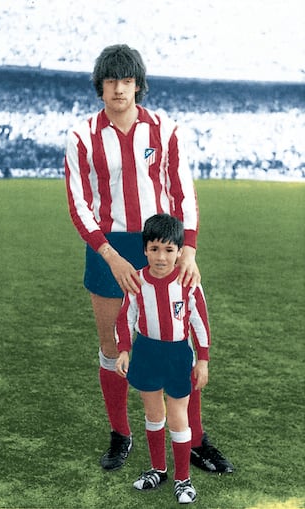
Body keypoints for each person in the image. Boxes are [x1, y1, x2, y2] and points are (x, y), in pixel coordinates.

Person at [64, 43, 233, 474]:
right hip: (109, 247)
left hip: (161, 242)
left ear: (138, 85)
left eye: (126, 80)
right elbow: (79, 203)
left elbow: (183, 191)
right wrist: (109, 255)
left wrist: (189, 249)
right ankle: (121, 434)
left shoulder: (165, 129)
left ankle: (193, 439)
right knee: (111, 347)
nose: (118, 89)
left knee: (177, 344)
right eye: (110, 81)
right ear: (99, 86)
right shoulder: (82, 135)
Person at [115, 213, 210, 504]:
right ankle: (158, 469)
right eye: (154, 249)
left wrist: (203, 359)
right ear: (145, 249)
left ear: (180, 252)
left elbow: (199, 320)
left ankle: (183, 479)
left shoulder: (187, 282)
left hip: (177, 355)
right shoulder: (137, 281)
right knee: (154, 414)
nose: (161, 257)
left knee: (179, 417)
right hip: (146, 353)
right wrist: (124, 350)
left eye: (169, 250)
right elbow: (125, 317)